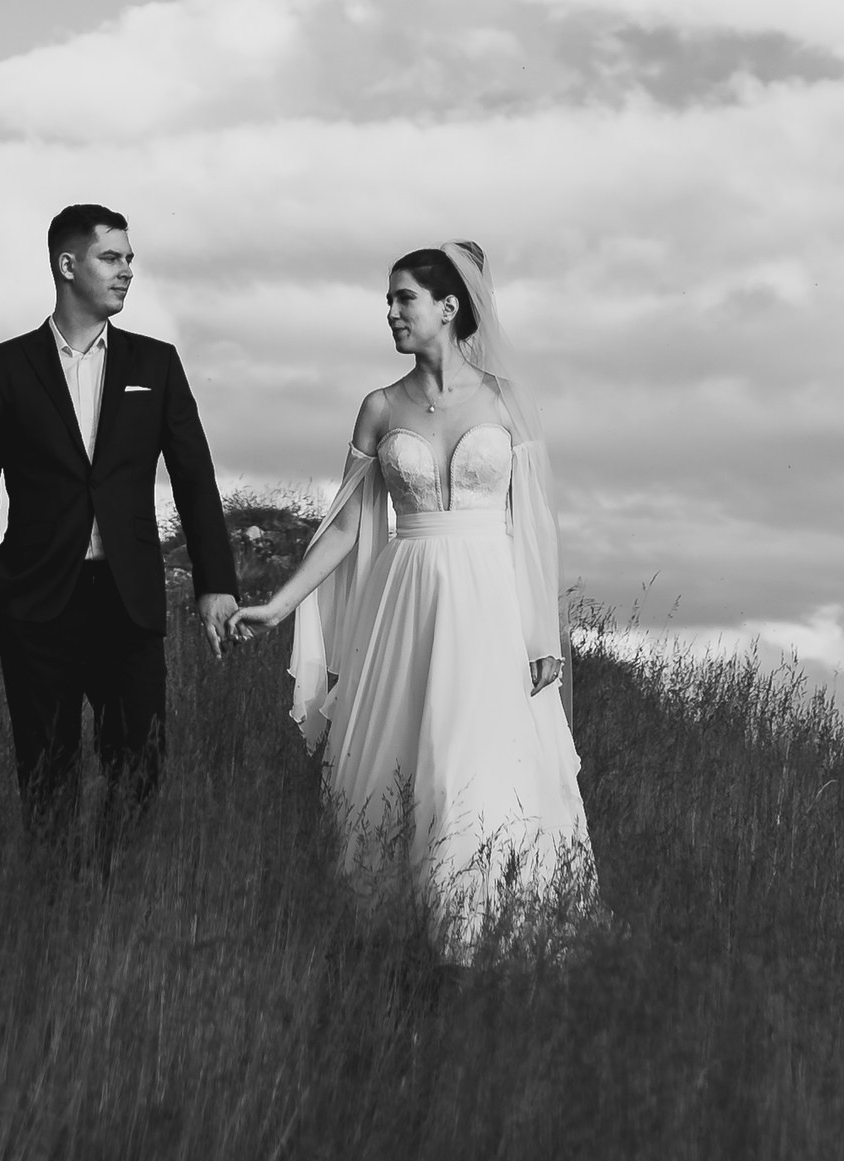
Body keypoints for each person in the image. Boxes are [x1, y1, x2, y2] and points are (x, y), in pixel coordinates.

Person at [230, 242, 591, 963]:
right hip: (408, 604)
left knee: (483, 763)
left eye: (404, 299)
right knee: (403, 764)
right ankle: (400, 942)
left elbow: (537, 529)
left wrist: (541, 634)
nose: (390, 312)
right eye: (389, 300)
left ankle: (490, 935)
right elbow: (343, 530)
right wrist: (277, 605)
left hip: (490, 606)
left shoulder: (506, 402)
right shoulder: (379, 406)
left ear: (450, 307)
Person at [0, 203, 238, 832]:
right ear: (66, 264)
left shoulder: (154, 364)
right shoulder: (3, 368)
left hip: (126, 599)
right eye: (112, 258)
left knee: (140, 765)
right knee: (45, 774)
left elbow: (194, 479)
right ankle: (55, 910)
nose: (127, 271)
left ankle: (114, 897)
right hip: (35, 602)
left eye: (130, 259)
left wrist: (216, 583)